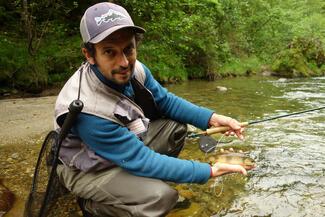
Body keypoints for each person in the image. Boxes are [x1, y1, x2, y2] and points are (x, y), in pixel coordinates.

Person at [54, 2, 253, 217]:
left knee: (176, 127)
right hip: (87, 170)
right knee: (161, 197)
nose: (123, 62)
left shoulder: (136, 69)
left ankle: (135, 185)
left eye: (128, 49)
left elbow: (166, 102)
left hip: (119, 153)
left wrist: (212, 119)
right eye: (109, 52)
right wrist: (207, 171)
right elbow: (142, 160)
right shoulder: (87, 110)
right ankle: (94, 206)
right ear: (89, 55)